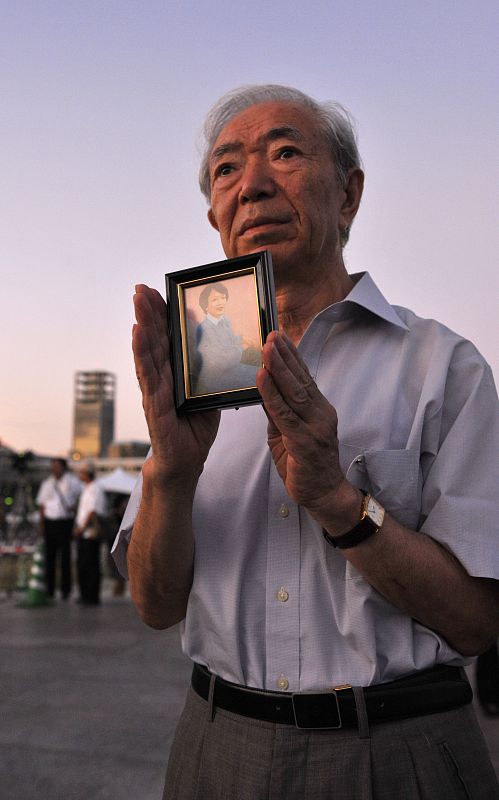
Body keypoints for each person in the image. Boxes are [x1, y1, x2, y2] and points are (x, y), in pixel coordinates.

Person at [113, 84, 499, 798]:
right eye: (226, 169)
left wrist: (337, 501)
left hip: (398, 752)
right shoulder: (194, 379)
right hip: (215, 745)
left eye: (285, 153)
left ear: (348, 195)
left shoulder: (443, 367)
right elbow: (155, 604)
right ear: (215, 217)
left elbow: (476, 623)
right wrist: (171, 471)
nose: (252, 185)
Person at [193, 281, 260, 395]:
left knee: (260, 373)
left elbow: (228, 339)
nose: (220, 303)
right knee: (253, 384)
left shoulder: (224, 320)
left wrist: (241, 339)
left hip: (233, 368)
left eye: (223, 298)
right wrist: (239, 349)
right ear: (205, 306)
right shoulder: (204, 329)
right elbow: (222, 362)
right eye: (214, 300)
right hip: (216, 377)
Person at [36, 457, 81, 600]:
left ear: (63, 467)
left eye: (57, 466)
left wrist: (75, 510)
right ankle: (50, 589)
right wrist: (42, 524)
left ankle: (65, 590)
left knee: (65, 557)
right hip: (50, 522)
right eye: (53, 466)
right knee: (50, 557)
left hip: (65, 521)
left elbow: (80, 498)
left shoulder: (73, 482)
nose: (54, 469)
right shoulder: (47, 483)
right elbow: (42, 505)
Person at [73, 463, 107, 606]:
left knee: (91, 564)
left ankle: (91, 596)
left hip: (90, 533)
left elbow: (92, 511)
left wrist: (81, 528)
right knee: (83, 564)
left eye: (82, 472)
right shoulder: (86, 488)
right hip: (84, 533)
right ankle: (85, 594)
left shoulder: (95, 489)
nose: (80, 475)